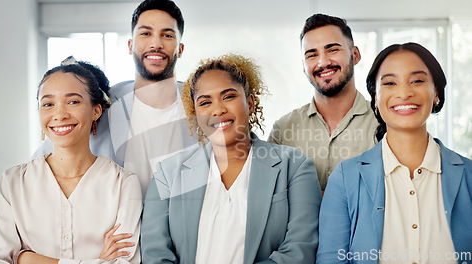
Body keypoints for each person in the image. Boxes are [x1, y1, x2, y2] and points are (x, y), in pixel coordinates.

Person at [140, 54, 322, 264]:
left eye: (228, 97)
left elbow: (300, 251)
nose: (218, 110)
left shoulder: (295, 167)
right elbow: (156, 255)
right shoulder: (167, 174)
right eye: (205, 102)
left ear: (250, 103)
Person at [317, 42, 472, 263]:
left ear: (435, 92)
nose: (404, 93)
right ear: (376, 99)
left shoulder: (469, 175)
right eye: (390, 83)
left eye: (417, 81)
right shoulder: (344, 179)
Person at [0, 59, 142, 263]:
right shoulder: (12, 182)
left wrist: (26, 259)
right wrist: (97, 261)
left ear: (96, 111)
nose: (59, 114)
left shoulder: (123, 184)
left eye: (73, 101)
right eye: (48, 104)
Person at [33, 0, 197, 197]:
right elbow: (43, 164)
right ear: (130, 45)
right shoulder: (103, 105)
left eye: (167, 35)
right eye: (145, 33)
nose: (156, 43)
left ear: (180, 49)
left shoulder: (200, 105)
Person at [268, 14, 378, 191]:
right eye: (312, 55)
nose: (323, 62)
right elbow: (271, 196)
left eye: (332, 50)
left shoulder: (383, 124)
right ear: (304, 66)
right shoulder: (282, 130)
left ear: (355, 55)